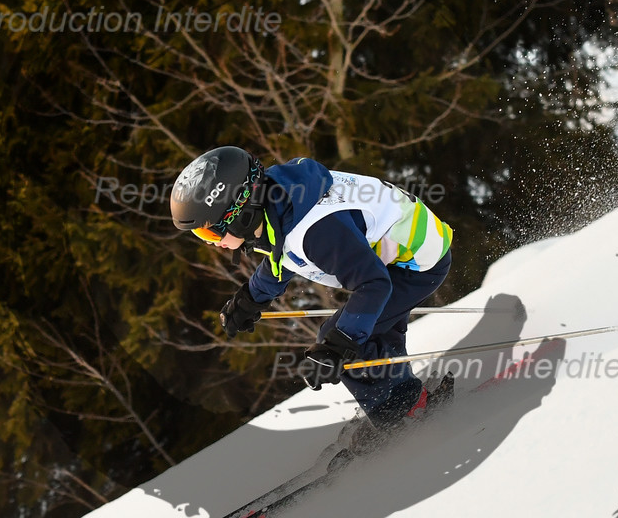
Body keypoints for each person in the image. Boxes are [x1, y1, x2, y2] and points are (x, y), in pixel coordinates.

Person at [169, 146, 455, 432]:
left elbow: (373, 285)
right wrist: (251, 299)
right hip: (394, 260)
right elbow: (281, 257)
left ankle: (405, 415)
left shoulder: (315, 230)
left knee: (346, 339)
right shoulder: (281, 202)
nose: (211, 243)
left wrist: (337, 346)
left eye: (209, 232)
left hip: (417, 263)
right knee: (368, 331)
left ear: (239, 213)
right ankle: (406, 403)